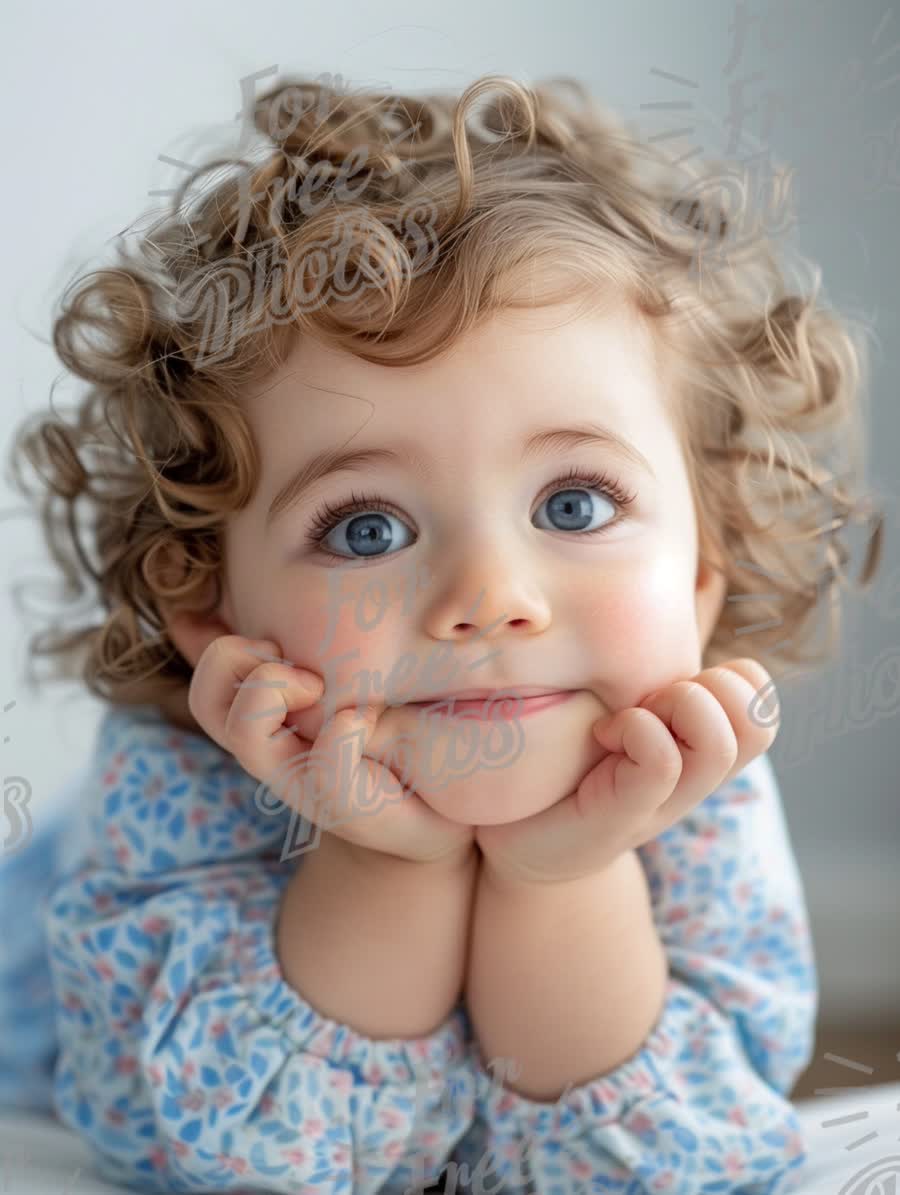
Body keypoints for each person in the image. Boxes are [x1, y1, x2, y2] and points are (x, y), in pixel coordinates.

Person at [3, 71, 884, 1193]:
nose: (487, 594)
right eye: (367, 527)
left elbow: (661, 1167)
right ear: (215, 610)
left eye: (575, 505)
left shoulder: (691, 783)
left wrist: (563, 874)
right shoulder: (175, 791)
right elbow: (238, 1163)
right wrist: (383, 857)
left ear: (702, 578)